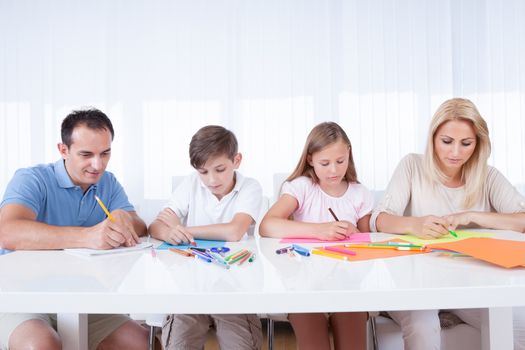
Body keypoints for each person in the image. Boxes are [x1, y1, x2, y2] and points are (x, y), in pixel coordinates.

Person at [371, 97, 525, 349]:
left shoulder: (488, 176)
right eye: (446, 142)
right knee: (423, 327)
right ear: (432, 139)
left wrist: (472, 216)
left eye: (466, 143)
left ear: (478, 144)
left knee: (516, 330)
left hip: (470, 284)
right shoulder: (412, 166)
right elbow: (378, 220)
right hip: (415, 282)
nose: (455, 152)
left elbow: (522, 221)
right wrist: (414, 224)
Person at [0, 108, 149, 350]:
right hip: (21, 297)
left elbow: (139, 226)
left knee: (141, 342)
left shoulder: (107, 182)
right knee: (41, 345)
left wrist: (125, 218)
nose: (97, 164)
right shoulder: (32, 179)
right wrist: (88, 237)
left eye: (105, 153)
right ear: (63, 150)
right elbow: (7, 232)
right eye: (86, 154)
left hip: (83, 297)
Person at [259, 121, 372, 350]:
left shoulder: (359, 193)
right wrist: (319, 230)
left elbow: (370, 244)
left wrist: (356, 232)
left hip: (348, 288)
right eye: (325, 163)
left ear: (349, 154)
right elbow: (267, 226)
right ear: (310, 159)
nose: (333, 170)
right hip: (304, 288)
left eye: (340, 161)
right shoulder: (301, 187)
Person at [149, 125, 263, 350]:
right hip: (191, 290)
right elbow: (156, 225)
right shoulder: (191, 184)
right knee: (177, 345)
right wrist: (169, 231)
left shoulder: (250, 187)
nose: (211, 179)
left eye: (220, 169)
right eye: (203, 172)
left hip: (235, 292)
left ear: (236, 160)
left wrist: (185, 229)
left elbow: (234, 231)